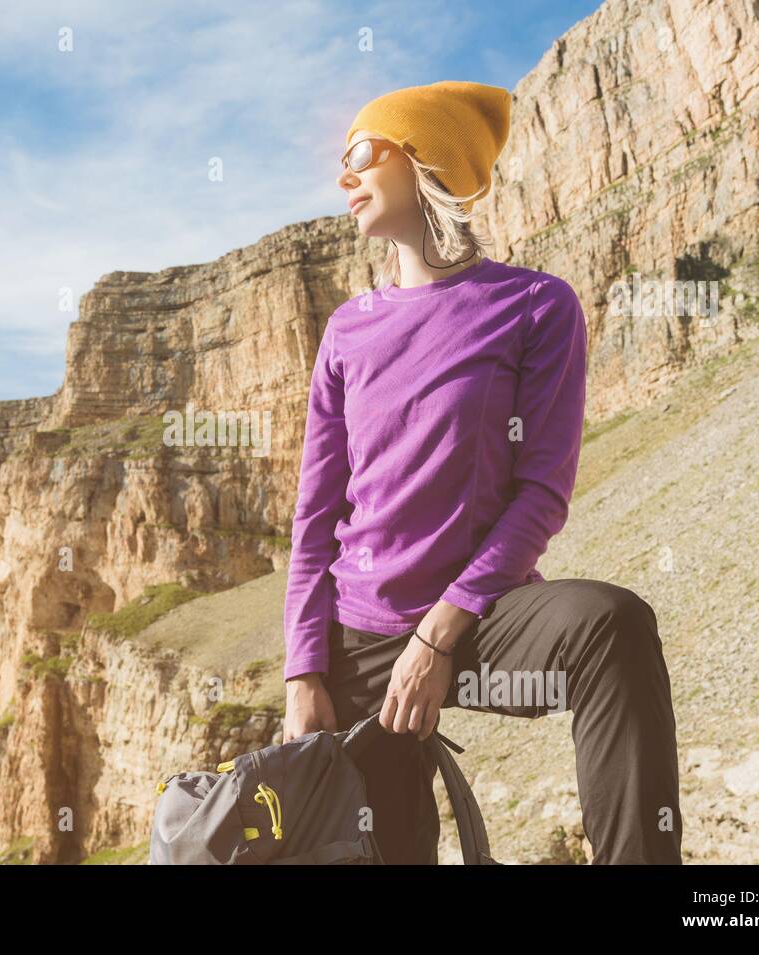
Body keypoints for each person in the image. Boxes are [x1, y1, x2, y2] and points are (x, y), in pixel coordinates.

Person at [280, 81, 682, 865]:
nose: (345, 177)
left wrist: (439, 631)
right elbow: (314, 520)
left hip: (479, 629)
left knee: (613, 622)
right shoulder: (347, 331)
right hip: (358, 646)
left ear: (423, 158)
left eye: (363, 153)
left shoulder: (535, 306)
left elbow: (541, 494)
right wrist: (303, 671)